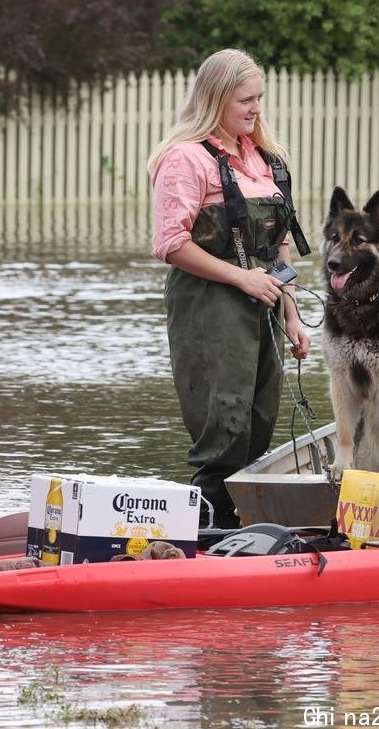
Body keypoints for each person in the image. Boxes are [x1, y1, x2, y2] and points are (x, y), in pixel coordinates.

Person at [148, 49, 311, 528]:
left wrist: (292, 313)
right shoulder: (185, 159)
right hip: (209, 306)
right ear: (215, 99)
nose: (256, 108)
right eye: (245, 99)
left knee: (260, 417)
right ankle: (206, 526)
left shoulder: (265, 158)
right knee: (225, 421)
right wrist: (241, 277)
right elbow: (170, 243)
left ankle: (236, 528)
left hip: (264, 302)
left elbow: (279, 244)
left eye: (260, 97)